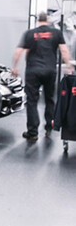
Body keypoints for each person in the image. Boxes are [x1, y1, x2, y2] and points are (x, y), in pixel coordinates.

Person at [12, 12, 73, 140]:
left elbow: (19, 51)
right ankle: (49, 127)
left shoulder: (30, 33)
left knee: (32, 100)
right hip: (50, 70)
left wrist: (15, 67)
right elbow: (64, 50)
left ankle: (32, 132)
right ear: (48, 20)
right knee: (50, 99)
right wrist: (69, 66)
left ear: (38, 21)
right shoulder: (56, 33)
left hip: (33, 71)